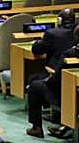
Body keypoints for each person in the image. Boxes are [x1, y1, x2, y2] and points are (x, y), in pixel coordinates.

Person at [26, 9, 78, 138]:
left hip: (63, 88)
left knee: (35, 85)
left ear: (59, 20)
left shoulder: (67, 52)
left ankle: (36, 127)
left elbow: (56, 79)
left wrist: (48, 80)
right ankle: (59, 118)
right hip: (74, 85)